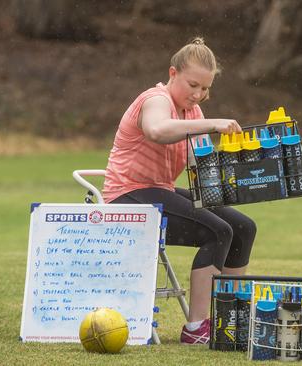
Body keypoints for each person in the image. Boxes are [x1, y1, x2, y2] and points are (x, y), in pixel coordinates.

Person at [102, 37, 256, 345]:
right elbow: (157, 131)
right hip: (126, 197)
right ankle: (197, 327)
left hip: (159, 191)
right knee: (217, 231)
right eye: (193, 85)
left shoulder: (194, 114)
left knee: (242, 226)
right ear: (173, 73)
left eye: (205, 89)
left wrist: (242, 173)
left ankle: (233, 318)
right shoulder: (156, 100)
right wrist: (214, 124)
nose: (198, 95)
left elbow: (197, 163)